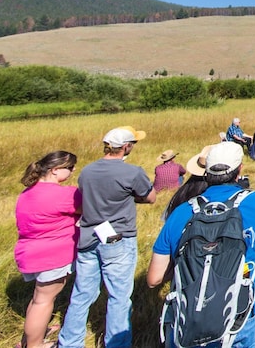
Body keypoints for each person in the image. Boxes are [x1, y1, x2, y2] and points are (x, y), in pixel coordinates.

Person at [147, 142, 255, 347]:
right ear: (239, 170)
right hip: (244, 311)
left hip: (192, 314)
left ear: (206, 172)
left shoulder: (181, 212)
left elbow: (154, 279)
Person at [59, 126, 157, 348]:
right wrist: (130, 197)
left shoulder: (87, 171)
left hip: (88, 236)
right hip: (118, 238)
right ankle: (117, 343)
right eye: (133, 144)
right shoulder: (132, 172)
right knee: (119, 297)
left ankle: (69, 342)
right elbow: (150, 197)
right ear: (126, 147)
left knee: (81, 294)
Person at [15, 151, 81, 348]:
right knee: (43, 301)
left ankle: (30, 339)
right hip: (53, 255)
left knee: (38, 299)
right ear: (55, 170)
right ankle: (35, 345)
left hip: (29, 253)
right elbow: (89, 208)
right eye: (70, 168)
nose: (73, 171)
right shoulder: (65, 194)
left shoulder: (27, 193)